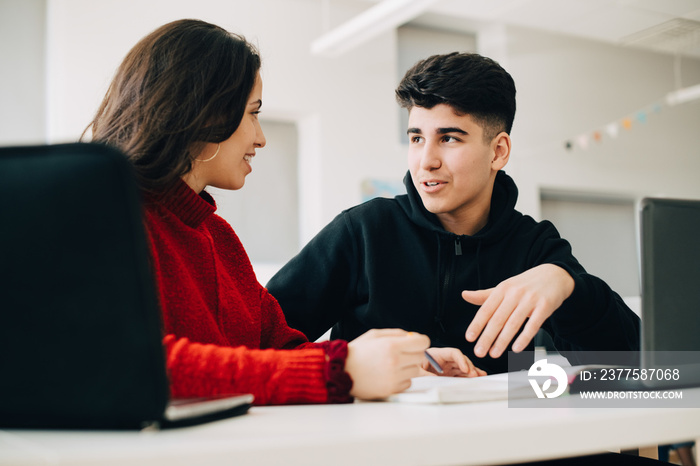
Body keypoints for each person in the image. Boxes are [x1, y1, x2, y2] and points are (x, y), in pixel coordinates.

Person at [82, 20, 481, 406]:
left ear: (499, 151)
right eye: (253, 113)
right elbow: (126, 364)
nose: (261, 137)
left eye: (449, 138)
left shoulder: (218, 238)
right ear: (207, 113)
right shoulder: (109, 221)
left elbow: (282, 350)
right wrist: (341, 368)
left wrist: (403, 367)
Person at [267, 52, 641, 375]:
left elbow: (641, 366)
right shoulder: (362, 231)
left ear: (498, 152)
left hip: (496, 450)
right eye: (417, 138)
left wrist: (569, 287)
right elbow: (257, 346)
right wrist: (359, 361)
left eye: (448, 138)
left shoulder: (534, 247)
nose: (426, 161)